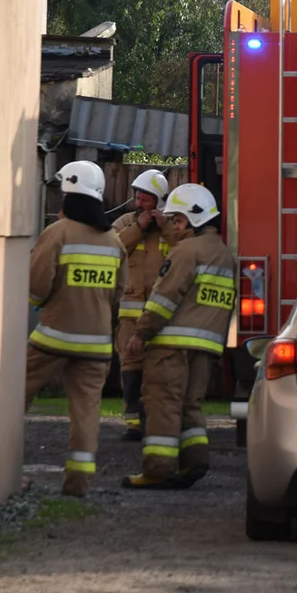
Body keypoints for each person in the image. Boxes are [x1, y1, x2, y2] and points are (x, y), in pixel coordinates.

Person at [120, 183, 238, 489]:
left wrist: (141, 334)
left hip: (171, 346)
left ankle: (158, 470)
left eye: (173, 219)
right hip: (206, 346)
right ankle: (194, 461)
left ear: (186, 221)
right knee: (190, 405)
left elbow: (164, 298)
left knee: (162, 403)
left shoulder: (185, 251)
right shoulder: (224, 255)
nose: (169, 225)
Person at [25, 160, 128, 497]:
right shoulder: (114, 241)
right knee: (86, 412)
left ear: (69, 192)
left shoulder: (57, 233)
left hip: (52, 338)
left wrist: (39, 303)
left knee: (15, 397)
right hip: (96, 346)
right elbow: (118, 297)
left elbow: (37, 285)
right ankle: (78, 483)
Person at [110, 169, 175, 442]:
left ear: (159, 202)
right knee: (130, 365)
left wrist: (166, 228)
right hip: (130, 314)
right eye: (138, 197)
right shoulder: (125, 222)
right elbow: (112, 247)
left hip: (161, 315)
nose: (139, 204)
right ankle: (133, 422)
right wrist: (139, 228)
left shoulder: (171, 227)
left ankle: (156, 420)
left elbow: (186, 250)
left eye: (146, 200)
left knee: (159, 369)